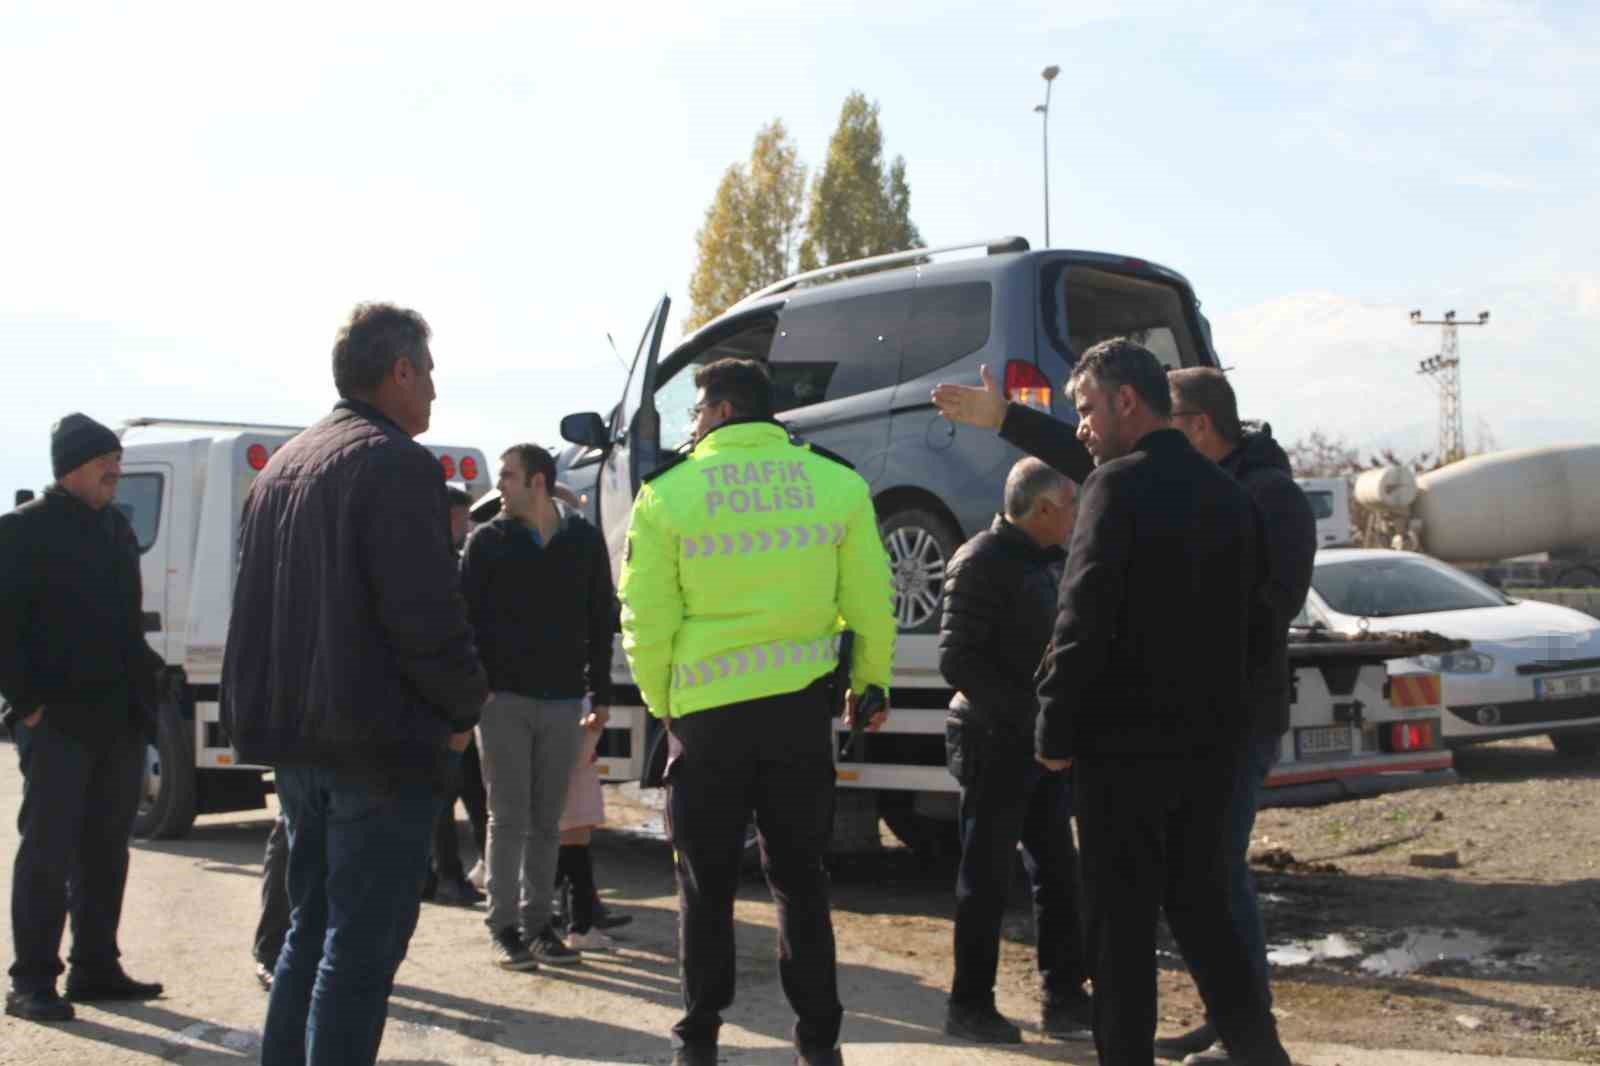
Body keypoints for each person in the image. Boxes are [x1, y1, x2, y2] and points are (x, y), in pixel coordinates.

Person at [221, 303, 491, 1066]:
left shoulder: (285, 466)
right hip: (375, 744)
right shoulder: (397, 464)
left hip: (303, 742)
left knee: (309, 929)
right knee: (359, 951)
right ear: (399, 371)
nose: (435, 391)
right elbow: (423, 611)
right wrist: (465, 702)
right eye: (429, 372)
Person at [619, 357, 896, 1066]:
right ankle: (818, 1043)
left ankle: (699, 1040)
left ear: (717, 409)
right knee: (802, 882)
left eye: (695, 411)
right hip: (798, 719)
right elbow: (870, 597)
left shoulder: (667, 495)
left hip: (706, 721)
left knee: (704, 885)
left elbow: (646, 620)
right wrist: (871, 680)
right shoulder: (836, 482)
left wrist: (665, 704)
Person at [1032, 339, 1290, 1066]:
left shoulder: (1114, 488)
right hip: (1211, 750)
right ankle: (1262, 1055)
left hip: (1123, 758)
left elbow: (1079, 622)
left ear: (1124, 402)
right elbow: (1258, 625)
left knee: (1119, 932)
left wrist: (1054, 730)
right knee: (1207, 919)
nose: (1081, 427)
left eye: (1085, 409)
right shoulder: (1230, 494)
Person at [1154, 369, 1316, 1065]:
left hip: (1240, 715)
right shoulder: (1210, 486)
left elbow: (1273, 602)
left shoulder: (1270, 495)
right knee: (1199, 875)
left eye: (1169, 419)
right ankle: (1230, 1019)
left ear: (1198, 424)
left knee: (1217, 874)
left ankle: (1248, 1034)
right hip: (1199, 715)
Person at [0, 413, 165, 1023]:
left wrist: (150, 686)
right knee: (48, 850)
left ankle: (95, 968)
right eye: (106, 460)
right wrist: (28, 702)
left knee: (105, 850)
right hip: (58, 721)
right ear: (72, 464)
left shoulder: (116, 530)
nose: (116, 470)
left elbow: (124, 624)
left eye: (118, 460)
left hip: (118, 718)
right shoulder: (21, 531)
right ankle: (32, 981)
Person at [939, 458, 1092, 1045]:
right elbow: (957, 661)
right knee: (985, 879)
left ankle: (1065, 1000)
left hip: (1042, 747)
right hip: (993, 742)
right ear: (1045, 509)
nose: (1077, 517)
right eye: (1071, 506)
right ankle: (969, 1005)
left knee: (1058, 873)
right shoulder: (979, 561)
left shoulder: (1053, 561)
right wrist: (1029, 721)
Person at [462, 443, 615, 970]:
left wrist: (602, 696)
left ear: (539, 482)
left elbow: (601, 620)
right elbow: (465, 621)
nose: (499, 484)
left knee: (548, 820)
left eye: (508, 475)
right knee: (506, 817)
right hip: (502, 701)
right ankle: (503, 926)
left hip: (564, 701)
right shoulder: (487, 542)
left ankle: (539, 925)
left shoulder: (583, 541)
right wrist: (476, 686)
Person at [423, 486, 490, 907]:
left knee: (472, 790)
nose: (466, 528)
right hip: (440, 701)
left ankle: (478, 870)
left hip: (459, 699)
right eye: (460, 520)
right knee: (446, 794)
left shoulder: (451, 561)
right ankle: (445, 875)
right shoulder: (433, 565)